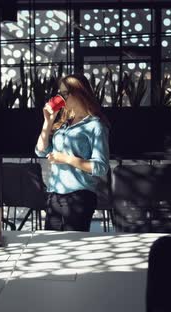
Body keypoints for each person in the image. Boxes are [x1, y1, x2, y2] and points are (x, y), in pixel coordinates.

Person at [35, 74, 110, 231]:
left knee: (73, 244)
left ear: (78, 93)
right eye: (59, 93)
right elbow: (40, 151)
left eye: (64, 93)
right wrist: (47, 122)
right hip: (54, 194)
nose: (60, 97)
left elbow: (101, 167)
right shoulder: (64, 124)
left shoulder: (95, 125)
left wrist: (67, 159)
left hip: (79, 195)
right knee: (49, 245)